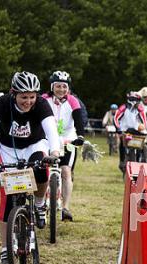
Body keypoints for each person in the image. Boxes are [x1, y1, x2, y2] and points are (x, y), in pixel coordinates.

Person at [0, 71, 60, 264]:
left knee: (41, 169)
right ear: (13, 93)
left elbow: (51, 130)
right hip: (7, 150)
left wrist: (55, 152)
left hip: (34, 145)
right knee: (7, 198)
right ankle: (6, 248)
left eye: (32, 96)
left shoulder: (41, 104)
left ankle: (40, 204)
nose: (28, 101)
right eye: (24, 97)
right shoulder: (2, 104)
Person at [42, 70, 86, 222]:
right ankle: (40, 202)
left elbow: (79, 118)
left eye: (64, 87)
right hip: (47, 140)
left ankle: (66, 207)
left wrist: (80, 135)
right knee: (42, 171)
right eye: (58, 86)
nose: (61, 89)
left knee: (66, 171)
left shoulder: (73, 101)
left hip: (68, 140)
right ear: (52, 86)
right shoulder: (43, 99)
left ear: (68, 88)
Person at [114, 91, 147, 171]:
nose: (138, 102)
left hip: (136, 130)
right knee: (122, 144)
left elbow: (144, 120)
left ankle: (141, 161)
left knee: (142, 146)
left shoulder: (139, 109)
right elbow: (116, 118)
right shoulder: (123, 107)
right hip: (124, 131)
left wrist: (144, 129)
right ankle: (122, 161)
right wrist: (118, 129)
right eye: (137, 100)